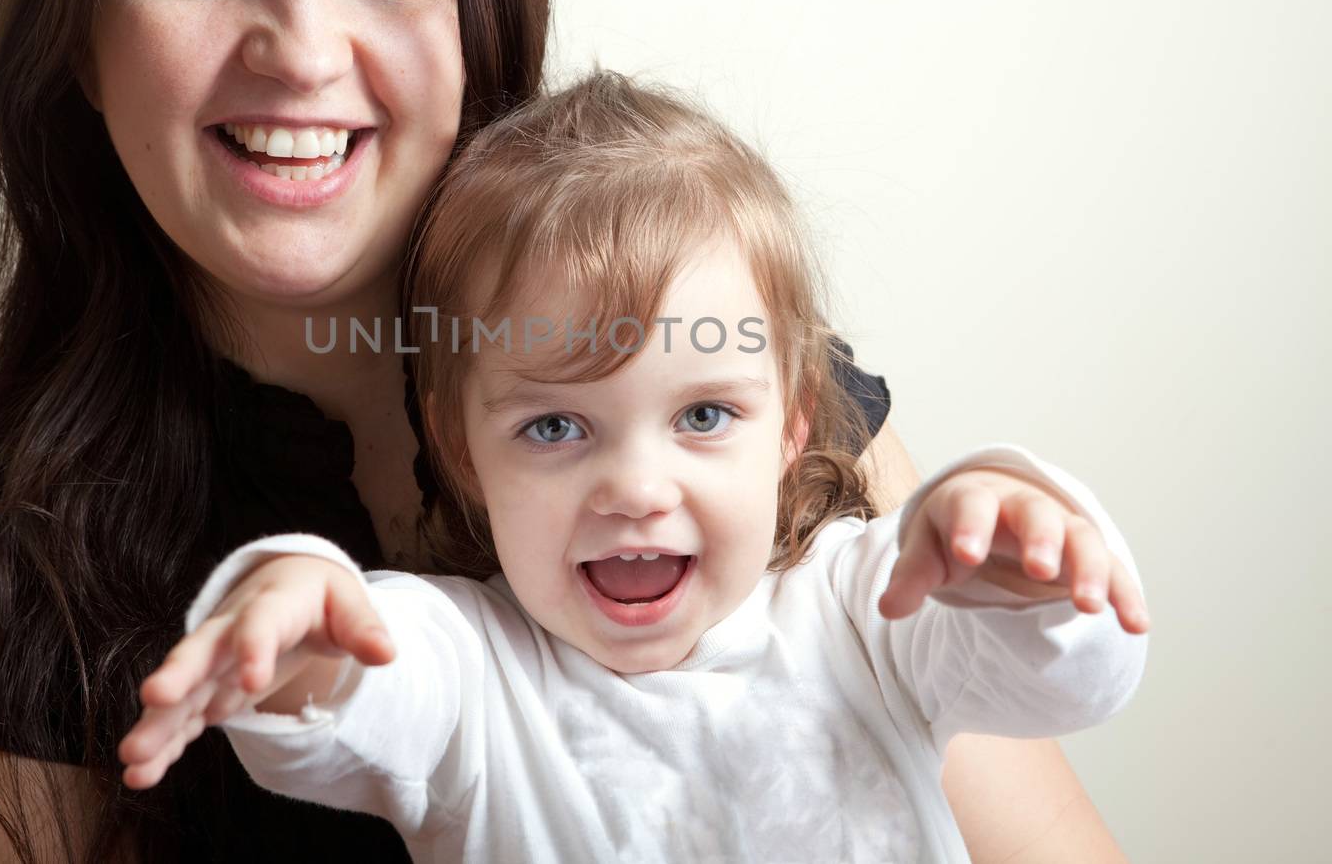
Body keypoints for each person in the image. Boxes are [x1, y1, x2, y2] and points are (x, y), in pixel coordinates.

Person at [0, 0, 1140, 860]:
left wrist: (1031, 543)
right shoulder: (7, 536)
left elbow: (1034, 722)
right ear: (76, 34)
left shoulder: (717, 341)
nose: (304, 52)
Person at [117, 73, 1150, 862]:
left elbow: (1062, 677)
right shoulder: (473, 672)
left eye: (703, 413)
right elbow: (341, 694)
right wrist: (292, 620)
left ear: (792, 423)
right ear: (459, 448)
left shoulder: (861, 607)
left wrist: (1022, 562)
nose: (636, 489)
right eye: (557, 428)